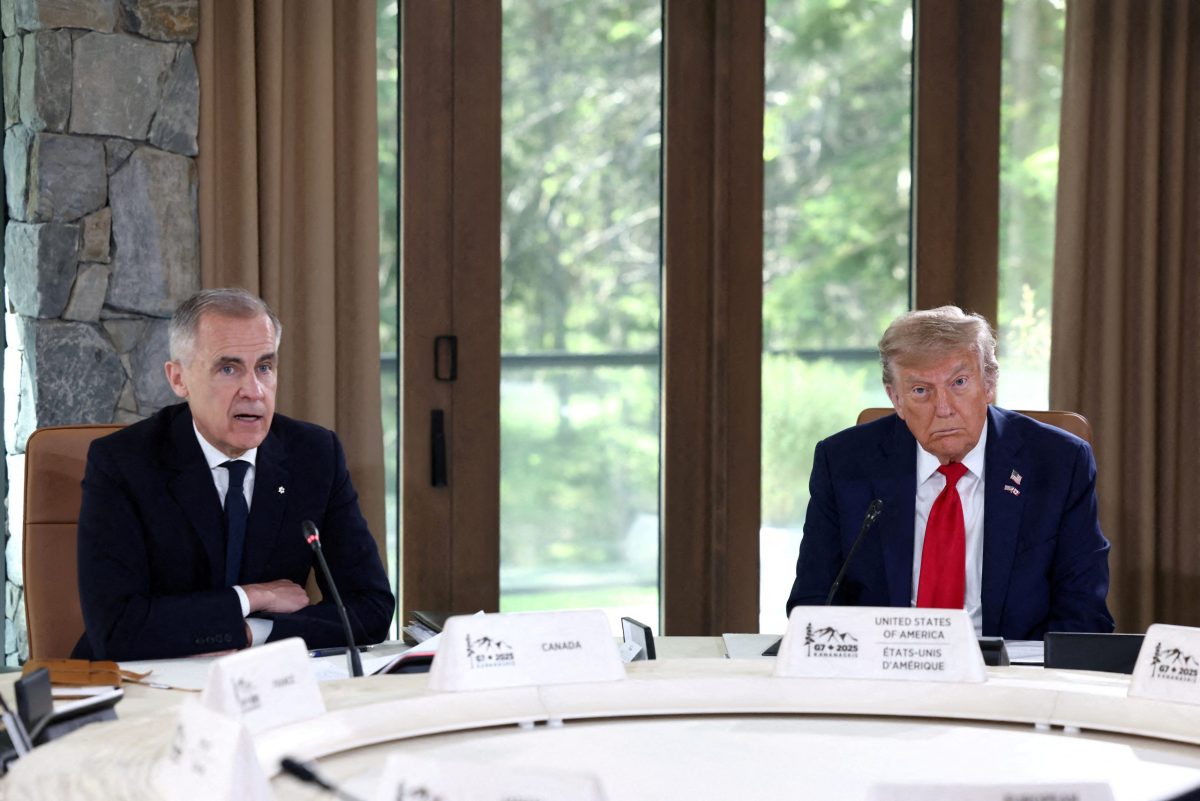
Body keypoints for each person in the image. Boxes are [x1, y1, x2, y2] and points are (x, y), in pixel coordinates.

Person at [74, 288, 395, 660]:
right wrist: (251, 597)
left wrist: (251, 632)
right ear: (179, 379)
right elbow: (116, 629)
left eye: (264, 367)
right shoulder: (124, 463)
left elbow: (369, 608)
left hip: (269, 685)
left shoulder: (315, 455)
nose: (254, 391)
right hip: (142, 686)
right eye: (229, 368)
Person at [787, 306, 1114, 639]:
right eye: (920, 391)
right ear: (895, 398)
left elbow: (1084, 613)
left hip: (1009, 676)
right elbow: (813, 603)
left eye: (959, 382)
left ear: (989, 383)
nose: (943, 409)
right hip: (883, 671)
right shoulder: (844, 463)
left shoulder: (1058, 463)